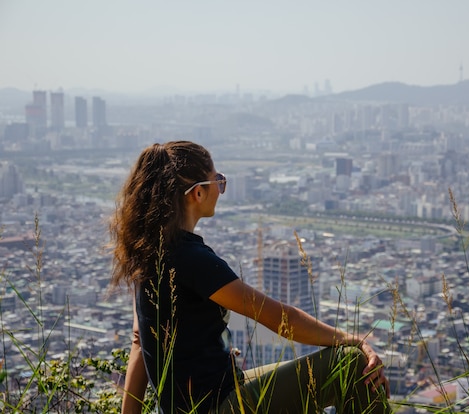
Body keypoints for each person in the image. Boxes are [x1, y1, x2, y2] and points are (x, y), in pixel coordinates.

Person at [109, 141, 391, 414]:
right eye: (217, 180)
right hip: (218, 406)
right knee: (352, 363)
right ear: (197, 193)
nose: (220, 188)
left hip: (205, 400)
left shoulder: (149, 251)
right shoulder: (192, 259)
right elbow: (283, 320)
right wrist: (351, 338)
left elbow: (138, 340)